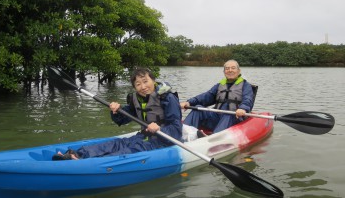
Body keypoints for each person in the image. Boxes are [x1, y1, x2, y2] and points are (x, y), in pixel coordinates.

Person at [52, 68, 182, 160]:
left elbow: (176, 131)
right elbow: (121, 120)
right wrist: (115, 110)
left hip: (162, 141)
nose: (143, 87)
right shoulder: (136, 99)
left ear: (153, 80)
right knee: (113, 144)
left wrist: (160, 129)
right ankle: (76, 154)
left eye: (145, 81)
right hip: (142, 137)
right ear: (134, 87)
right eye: (138, 84)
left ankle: (83, 163)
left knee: (125, 152)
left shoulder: (168, 98)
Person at [180, 59, 254, 135]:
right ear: (224, 72)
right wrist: (189, 102)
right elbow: (206, 96)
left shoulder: (246, 85)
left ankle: (214, 138)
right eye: (227, 68)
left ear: (239, 71)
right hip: (217, 117)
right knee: (198, 108)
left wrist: (243, 108)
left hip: (234, 118)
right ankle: (183, 133)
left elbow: (248, 99)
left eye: (233, 68)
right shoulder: (219, 85)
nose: (230, 70)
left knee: (229, 113)